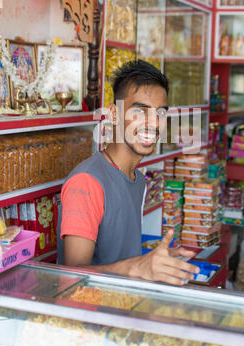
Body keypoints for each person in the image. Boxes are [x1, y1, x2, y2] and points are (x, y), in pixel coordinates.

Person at [57, 60, 199, 286]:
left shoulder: (138, 180)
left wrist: (153, 263)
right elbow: (71, 278)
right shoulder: (86, 183)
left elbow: (118, 258)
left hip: (124, 309)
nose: (153, 123)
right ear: (114, 113)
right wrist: (139, 267)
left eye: (160, 114)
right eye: (140, 111)